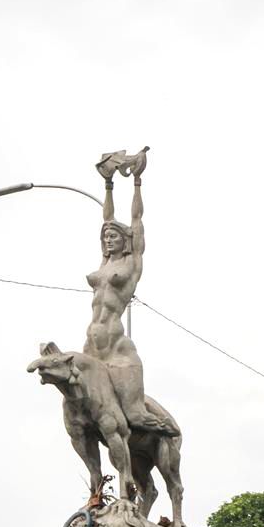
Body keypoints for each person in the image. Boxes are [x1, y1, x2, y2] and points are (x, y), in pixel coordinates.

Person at [82, 148, 176, 439]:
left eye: (114, 237)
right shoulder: (105, 262)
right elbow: (106, 217)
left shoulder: (131, 264)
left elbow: (137, 220)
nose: (108, 240)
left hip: (117, 347)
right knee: (79, 407)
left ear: (125, 242)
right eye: (105, 237)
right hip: (91, 345)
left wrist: (136, 181)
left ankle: (166, 431)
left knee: (135, 415)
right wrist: (108, 184)